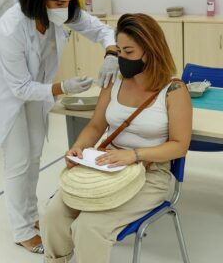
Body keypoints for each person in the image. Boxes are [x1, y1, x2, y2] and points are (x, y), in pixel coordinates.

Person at [0, 0, 120, 254]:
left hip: (35, 91)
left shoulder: (58, 13)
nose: (64, 9)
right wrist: (62, 88)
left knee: (35, 154)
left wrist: (111, 53)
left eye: (68, 2)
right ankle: (21, 229)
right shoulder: (11, 27)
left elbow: (102, 30)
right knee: (18, 161)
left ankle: (30, 216)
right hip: (8, 96)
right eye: (59, 2)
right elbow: (19, 88)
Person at [41, 13, 192, 263]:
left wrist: (133, 155)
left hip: (149, 174)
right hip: (107, 165)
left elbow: (180, 146)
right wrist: (78, 149)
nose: (122, 58)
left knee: (89, 227)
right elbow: (96, 125)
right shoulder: (114, 83)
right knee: (53, 214)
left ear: (151, 50)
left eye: (129, 52)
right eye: (119, 51)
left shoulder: (174, 90)